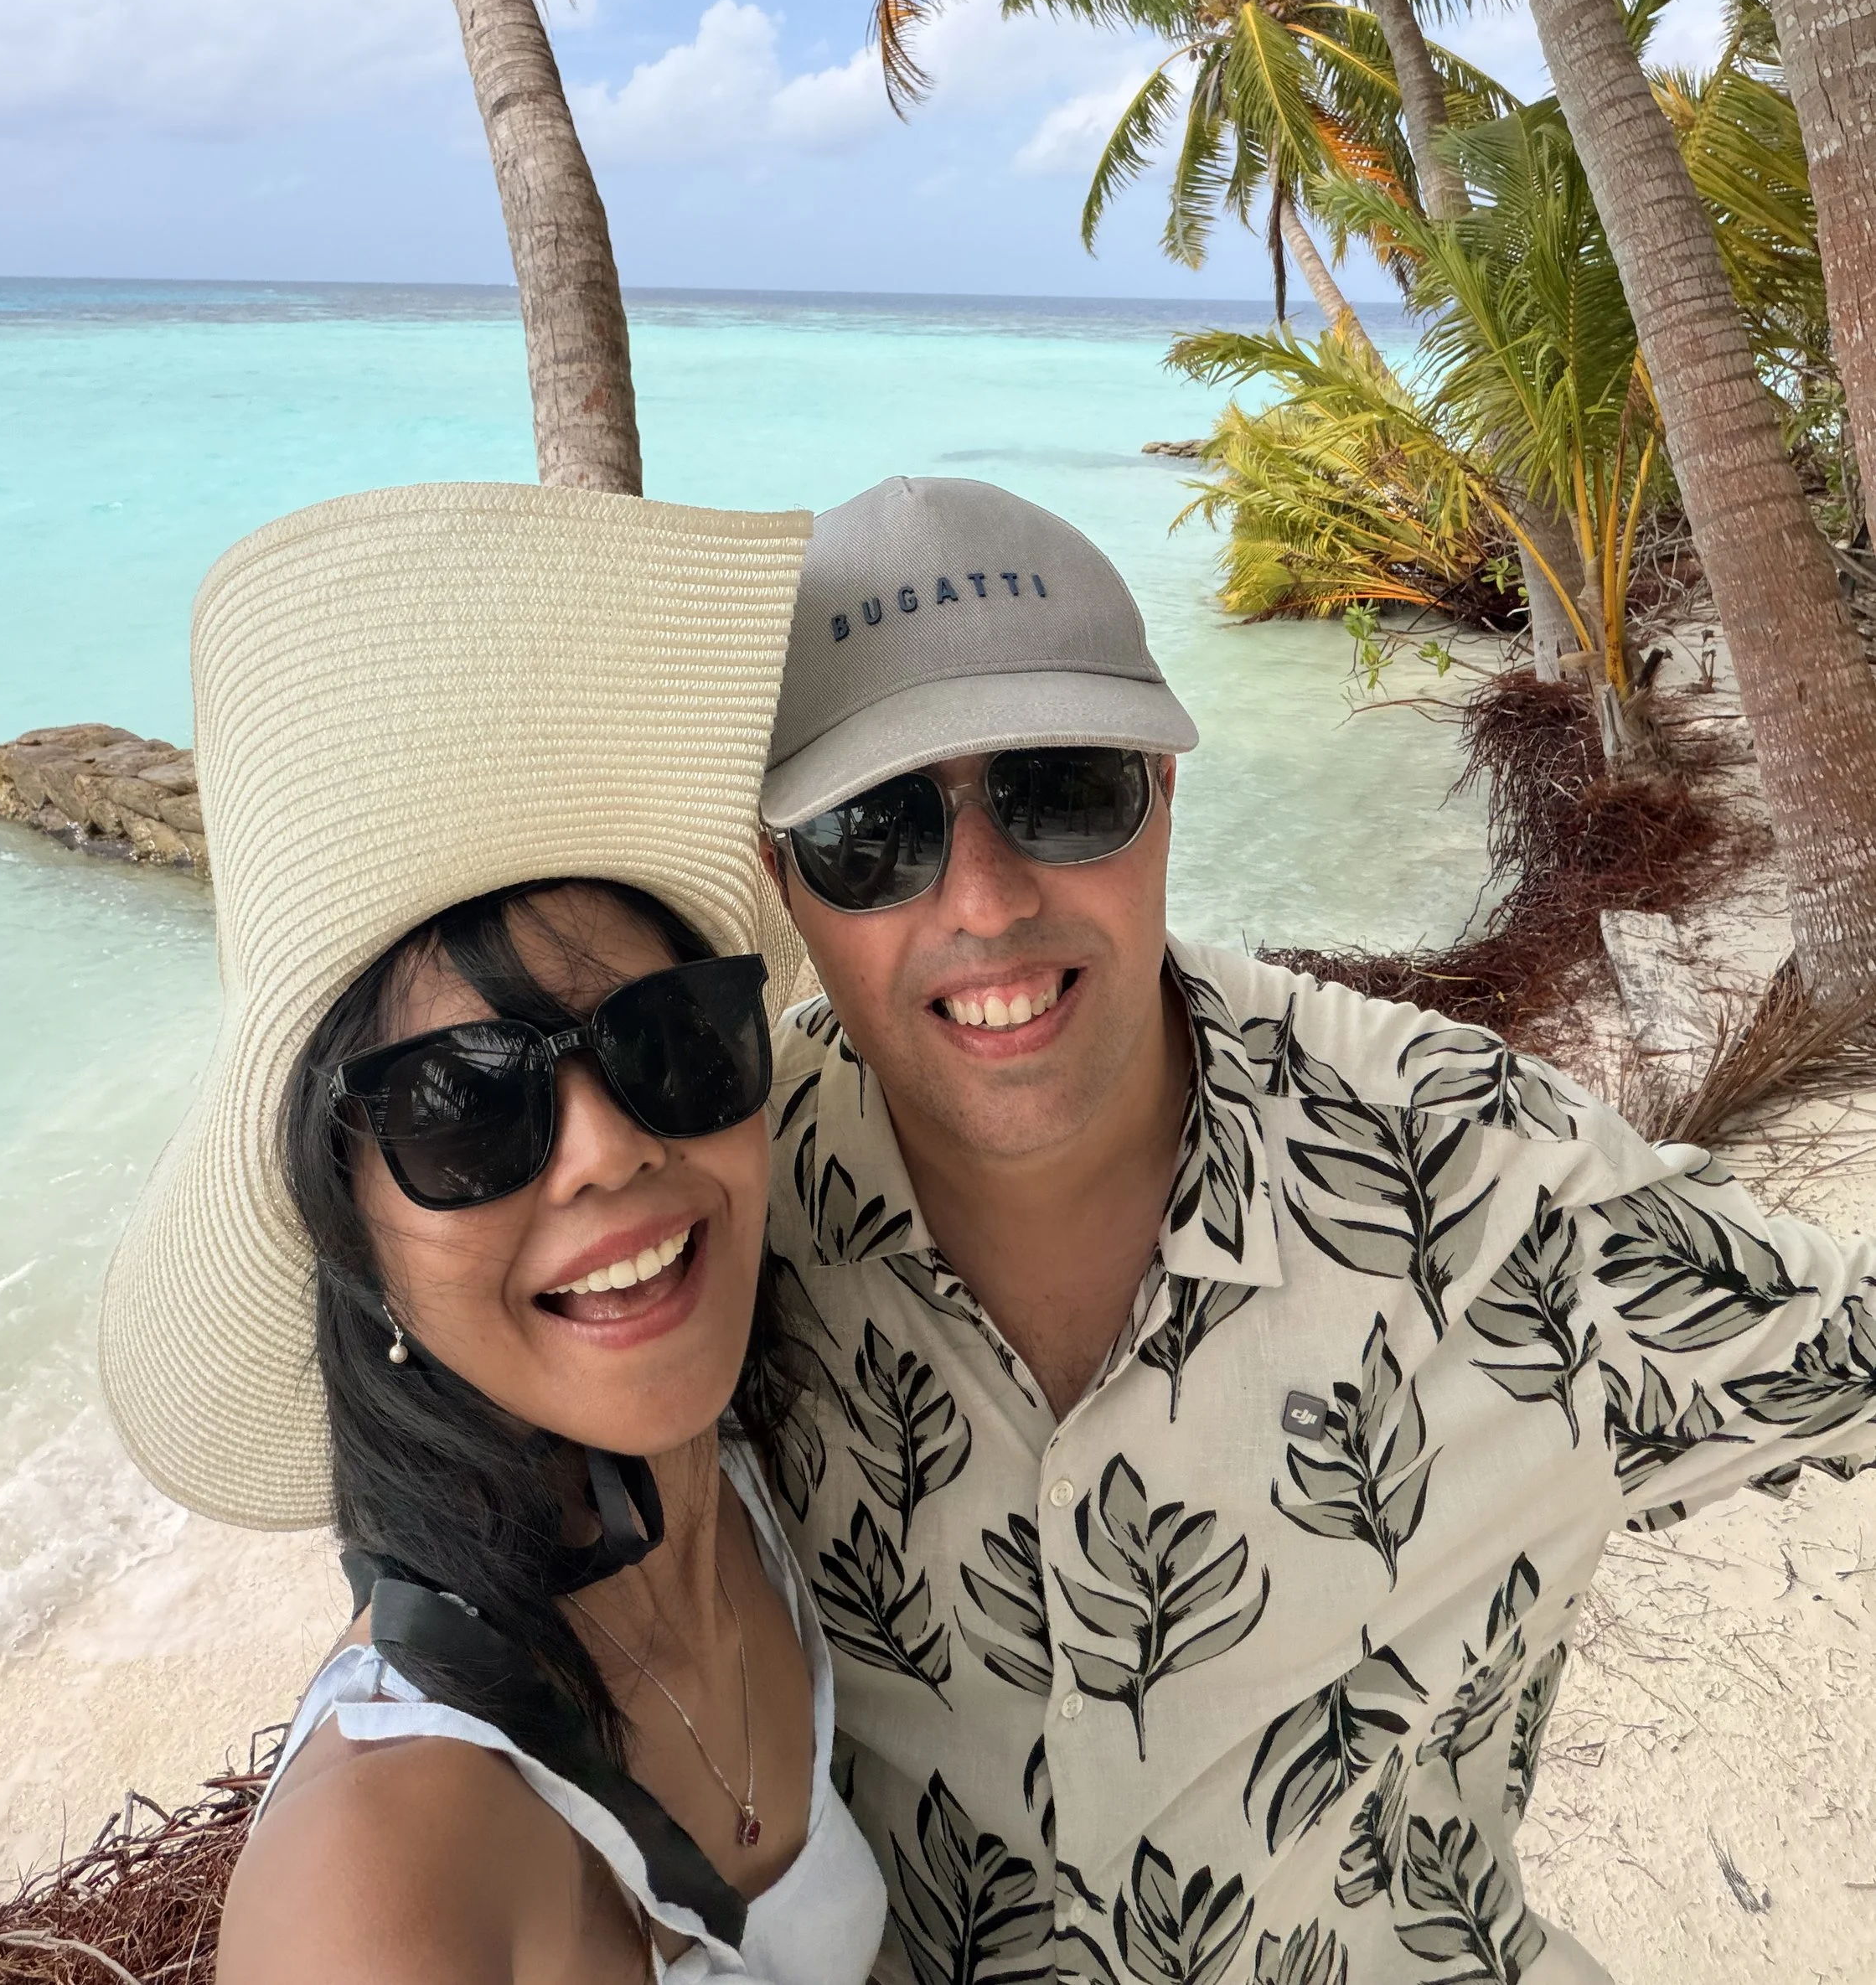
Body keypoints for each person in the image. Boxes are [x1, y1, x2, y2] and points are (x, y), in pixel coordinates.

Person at [757, 473, 1876, 1985]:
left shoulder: (1469, 1184)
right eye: (872, 833)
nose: (983, 898)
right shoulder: (724, 1210)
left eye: (1061, 789)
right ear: (783, 886)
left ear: (1164, 790)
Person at [97, 481, 886, 1985]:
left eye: (668, 1042)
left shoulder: (743, 1490)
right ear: (355, 1232)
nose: (607, 1152)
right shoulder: (388, 1882)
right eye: (464, 1108)